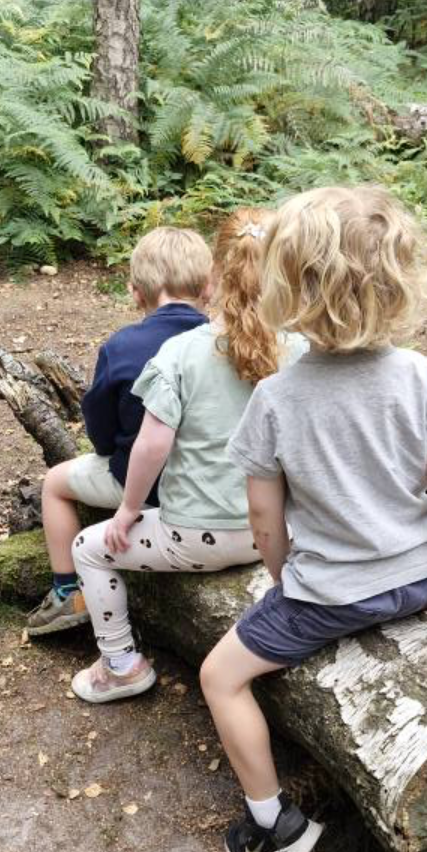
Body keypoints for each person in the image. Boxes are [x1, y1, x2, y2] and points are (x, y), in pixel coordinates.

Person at [198, 185, 427, 852]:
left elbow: (263, 517)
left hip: (331, 594)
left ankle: (272, 823)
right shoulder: (417, 374)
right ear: (398, 280)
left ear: (288, 287)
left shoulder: (275, 396)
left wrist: (285, 581)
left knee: (219, 677)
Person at [70, 209, 304, 704]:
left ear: (213, 279)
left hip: (195, 537)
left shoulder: (180, 352)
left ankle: (121, 665)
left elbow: (152, 445)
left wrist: (129, 510)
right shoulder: (300, 349)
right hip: (279, 534)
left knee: (89, 548)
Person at [26, 226, 212, 637]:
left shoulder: (122, 346)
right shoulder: (226, 341)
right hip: (212, 486)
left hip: (144, 489)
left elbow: (102, 436)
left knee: (55, 484)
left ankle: (66, 591)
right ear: (207, 287)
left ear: (136, 292)